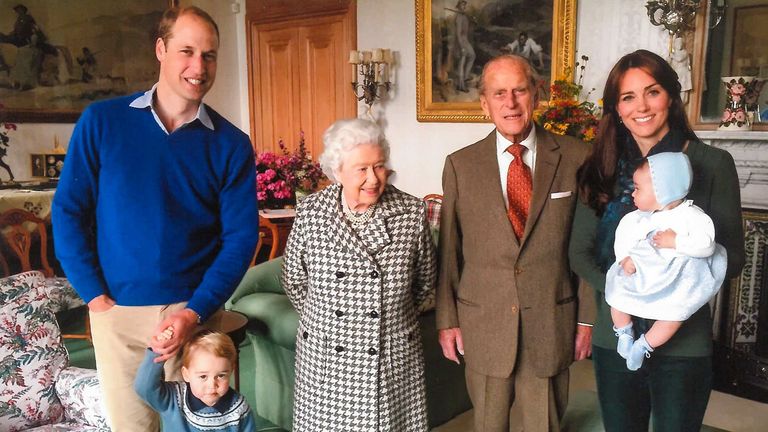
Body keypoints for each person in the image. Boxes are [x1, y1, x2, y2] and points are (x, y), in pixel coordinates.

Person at [51, 6, 259, 432]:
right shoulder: (102, 121)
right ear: (161, 50)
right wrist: (93, 295)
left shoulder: (232, 144)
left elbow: (240, 238)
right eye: (187, 51)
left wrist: (195, 312)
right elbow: (68, 211)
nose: (198, 67)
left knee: (200, 426)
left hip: (194, 312)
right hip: (117, 313)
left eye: (209, 55)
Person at [569, 49, 745, 431]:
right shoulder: (599, 167)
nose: (641, 107)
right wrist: (630, 292)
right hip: (615, 334)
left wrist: (669, 289)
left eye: (652, 92)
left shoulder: (712, 164)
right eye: (628, 97)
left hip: (684, 339)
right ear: (616, 108)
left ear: (671, 97)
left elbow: (734, 260)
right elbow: (579, 254)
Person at [436, 54, 594, 432]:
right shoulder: (460, 165)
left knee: (544, 425)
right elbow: (449, 254)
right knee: (488, 424)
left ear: (535, 95)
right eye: (499, 93)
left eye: (519, 90)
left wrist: (587, 319)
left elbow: (591, 246)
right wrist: (447, 320)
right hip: (483, 323)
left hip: (551, 321)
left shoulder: (577, 157)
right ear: (484, 103)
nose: (510, 103)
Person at [281, 118, 436, 431]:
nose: (373, 179)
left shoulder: (410, 212)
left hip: (390, 356)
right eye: (361, 169)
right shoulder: (312, 211)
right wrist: (328, 322)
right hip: (326, 358)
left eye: (379, 166)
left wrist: (390, 317)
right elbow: (294, 280)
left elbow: (425, 283)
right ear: (337, 171)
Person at [606, 153, 727, 371]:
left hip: (674, 279)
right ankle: (624, 332)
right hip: (641, 273)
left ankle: (644, 345)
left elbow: (706, 245)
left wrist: (676, 241)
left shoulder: (692, 217)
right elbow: (622, 238)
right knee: (616, 296)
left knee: (674, 315)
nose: (632, 193)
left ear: (663, 190)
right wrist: (624, 258)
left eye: (638, 188)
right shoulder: (637, 218)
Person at [134, 329, 257, 431]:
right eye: (203, 376)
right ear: (186, 374)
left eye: (221, 376)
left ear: (231, 371)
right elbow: (144, 387)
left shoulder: (238, 407)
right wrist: (158, 352)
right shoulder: (173, 398)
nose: (212, 385)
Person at [452, 0, 475, 93]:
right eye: (462, 5)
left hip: (465, 40)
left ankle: (466, 76)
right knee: (462, 61)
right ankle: (460, 85)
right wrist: (461, 47)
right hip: (460, 41)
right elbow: (458, 34)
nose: (464, 6)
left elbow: (469, 26)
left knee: (472, 55)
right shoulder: (458, 17)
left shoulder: (464, 16)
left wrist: (473, 20)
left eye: (465, 5)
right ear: (458, 6)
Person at [669, 37, 692, 104]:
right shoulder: (674, 53)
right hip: (677, 72)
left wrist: (672, 56)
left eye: (680, 43)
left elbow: (679, 59)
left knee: (683, 89)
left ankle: (682, 103)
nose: (679, 45)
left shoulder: (684, 52)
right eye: (678, 43)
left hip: (683, 73)